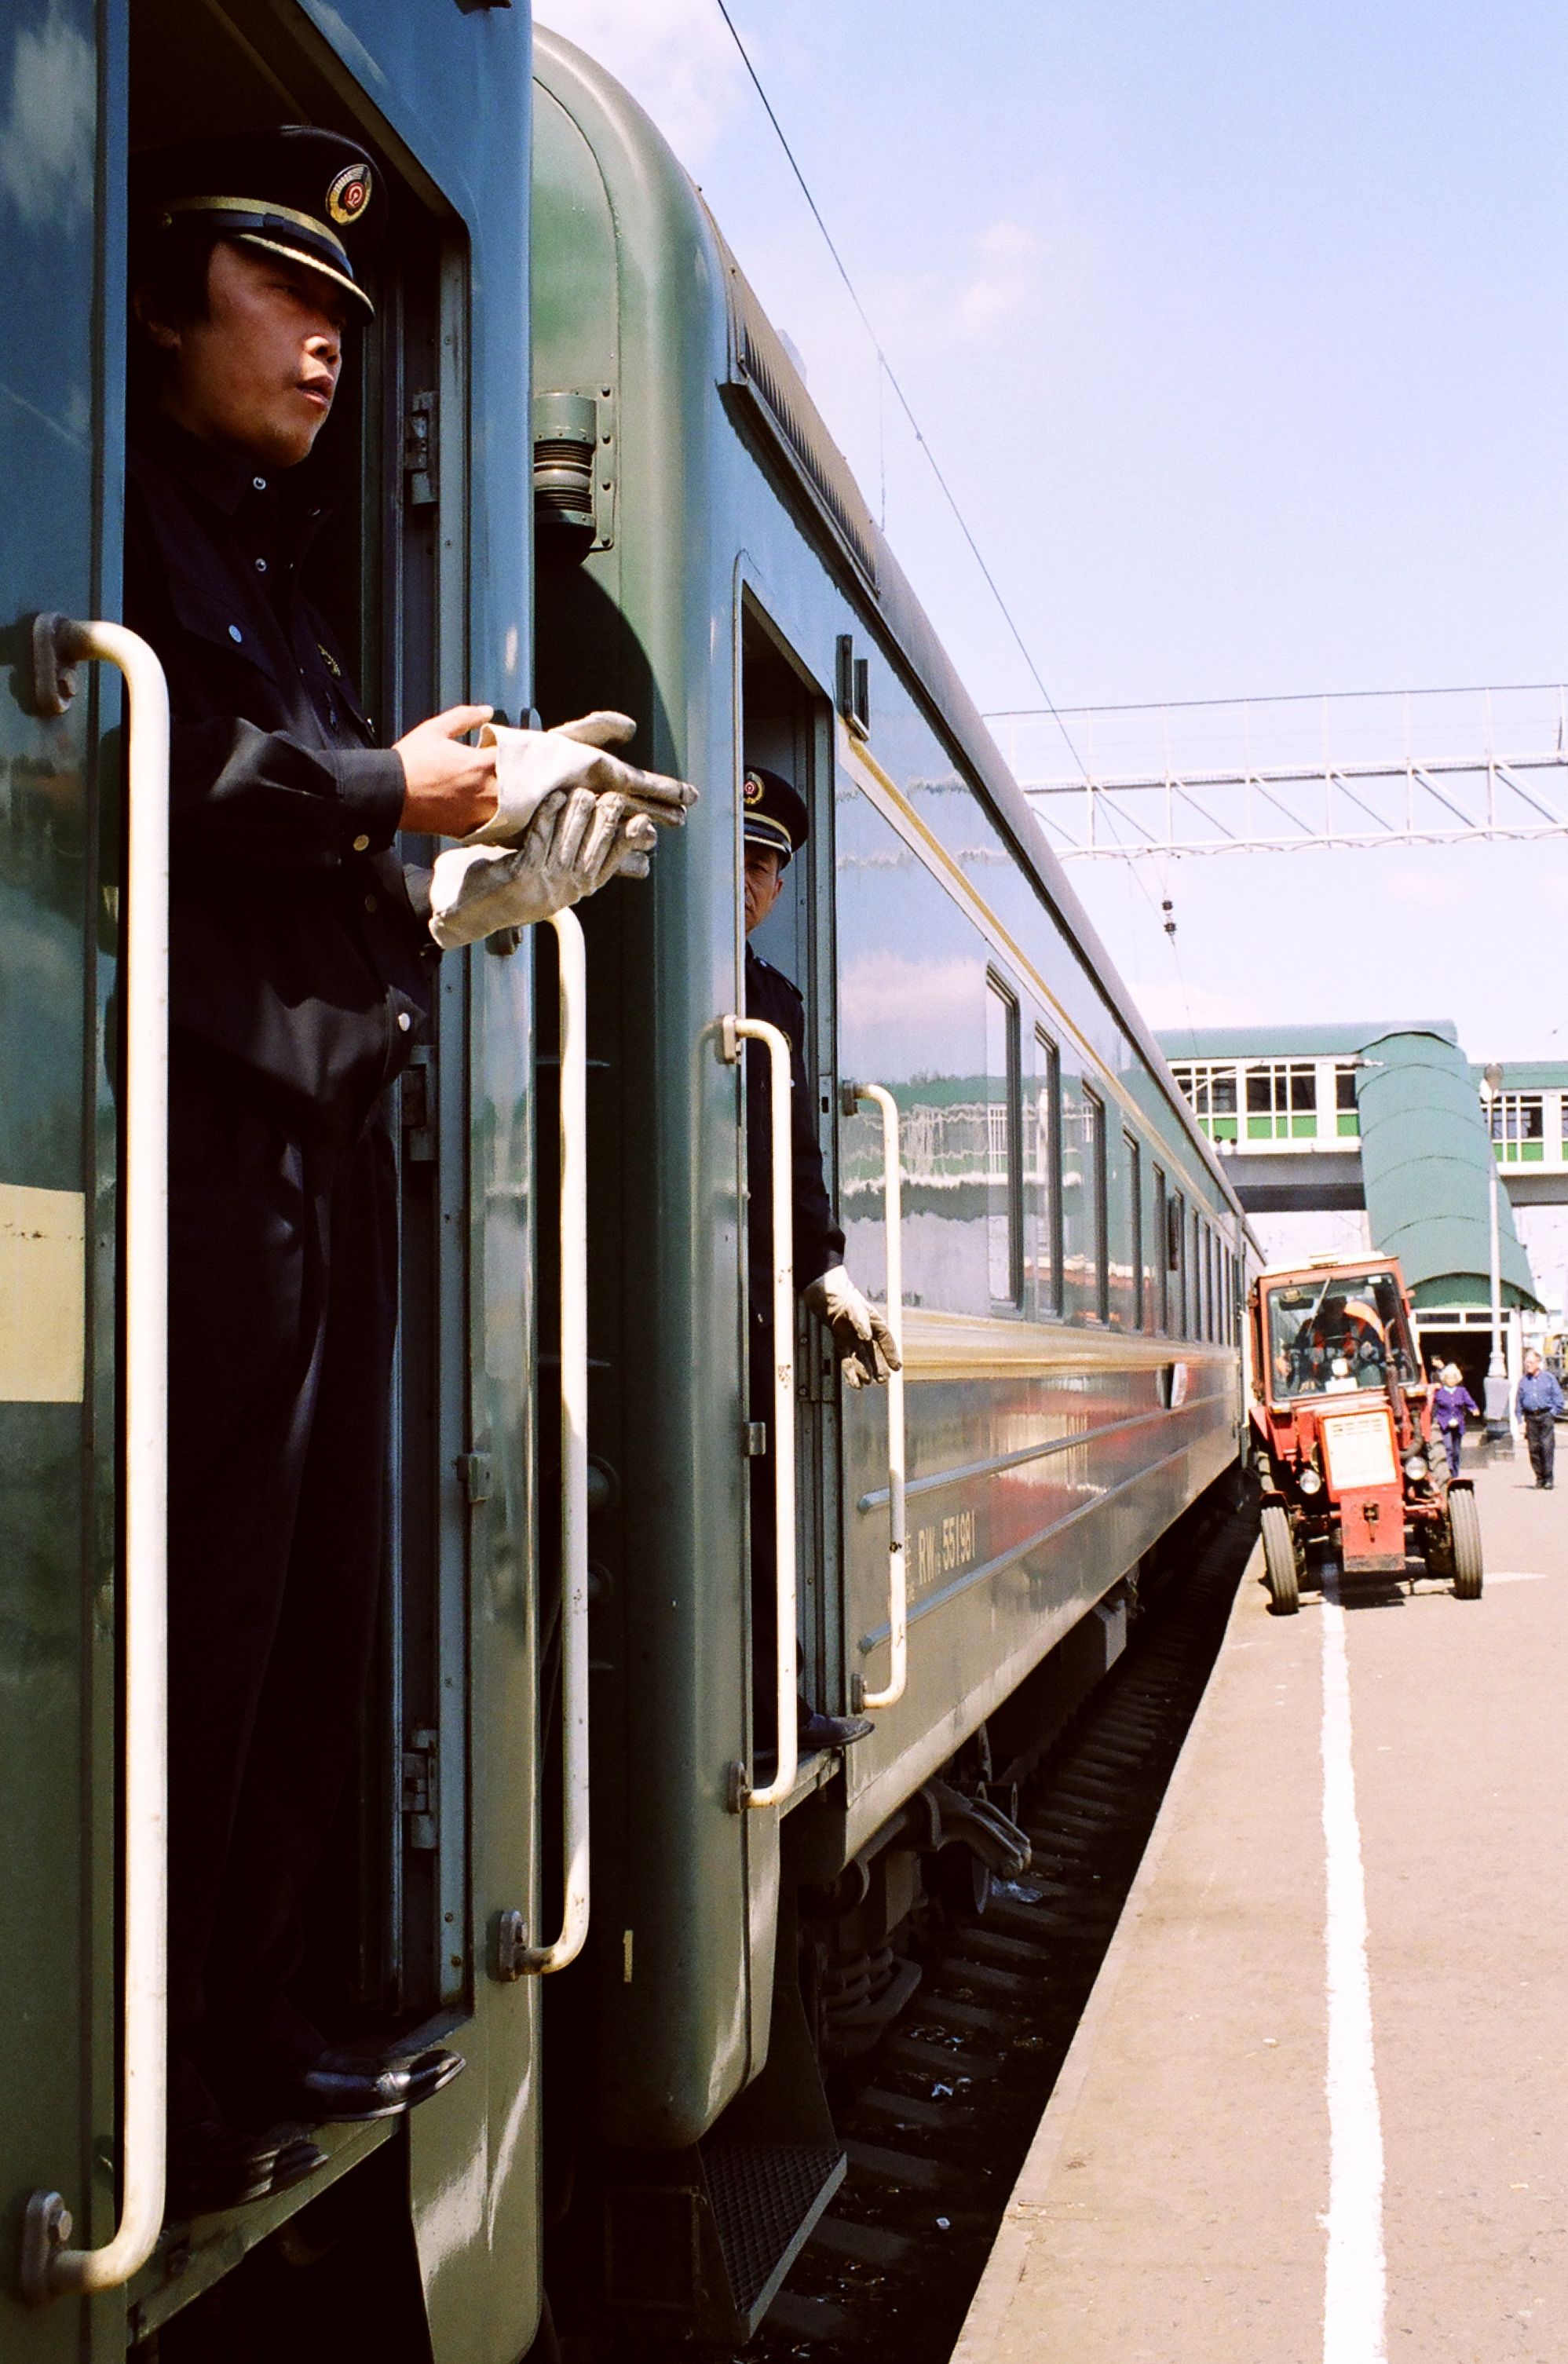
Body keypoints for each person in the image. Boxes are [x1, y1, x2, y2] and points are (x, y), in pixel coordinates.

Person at [126, 128, 695, 2217]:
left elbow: (303, 843)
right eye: (283, 298)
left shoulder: (262, 556)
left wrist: (480, 855)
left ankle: (255, 2016)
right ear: (168, 300)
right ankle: (171, 2075)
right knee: (219, 1606)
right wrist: (388, 782)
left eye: (349, 320)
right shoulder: (128, 517)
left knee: (296, 1612)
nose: (325, 345)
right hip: (214, 1144)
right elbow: (157, 769)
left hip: (314, 1131)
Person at [742, 766, 899, 1754]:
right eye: (739, 856)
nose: (749, 881)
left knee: (763, 1492)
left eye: (766, 866)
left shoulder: (775, 1002)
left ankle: (774, 1704)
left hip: (750, 1295)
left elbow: (795, 1152)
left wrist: (823, 1266)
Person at [1515, 1349, 1565, 1489]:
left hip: (1545, 1416)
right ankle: (1539, 1478)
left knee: (1547, 1447)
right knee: (1534, 1449)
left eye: (1530, 1362)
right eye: (1526, 1363)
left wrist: (1552, 1413)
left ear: (1538, 1363)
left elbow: (1559, 1398)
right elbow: (1518, 1402)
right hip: (1531, 1418)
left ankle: (1549, 1479)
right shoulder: (1524, 1381)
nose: (1528, 1365)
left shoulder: (1549, 1378)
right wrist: (1520, 1421)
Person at [1431, 1363, 1478, 1478]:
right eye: (1448, 1378)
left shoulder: (1461, 1391)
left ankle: (1455, 1474)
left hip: (1458, 1424)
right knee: (1448, 1448)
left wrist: (1474, 1409)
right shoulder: (1440, 1392)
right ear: (1445, 1379)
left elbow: (1469, 1402)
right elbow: (1434, 1406)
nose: (1451, 1380)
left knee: (1456, 1451)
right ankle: (1448, 1471)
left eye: (1453, 1378)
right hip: (1444, 1423)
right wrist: (1432, 1418)